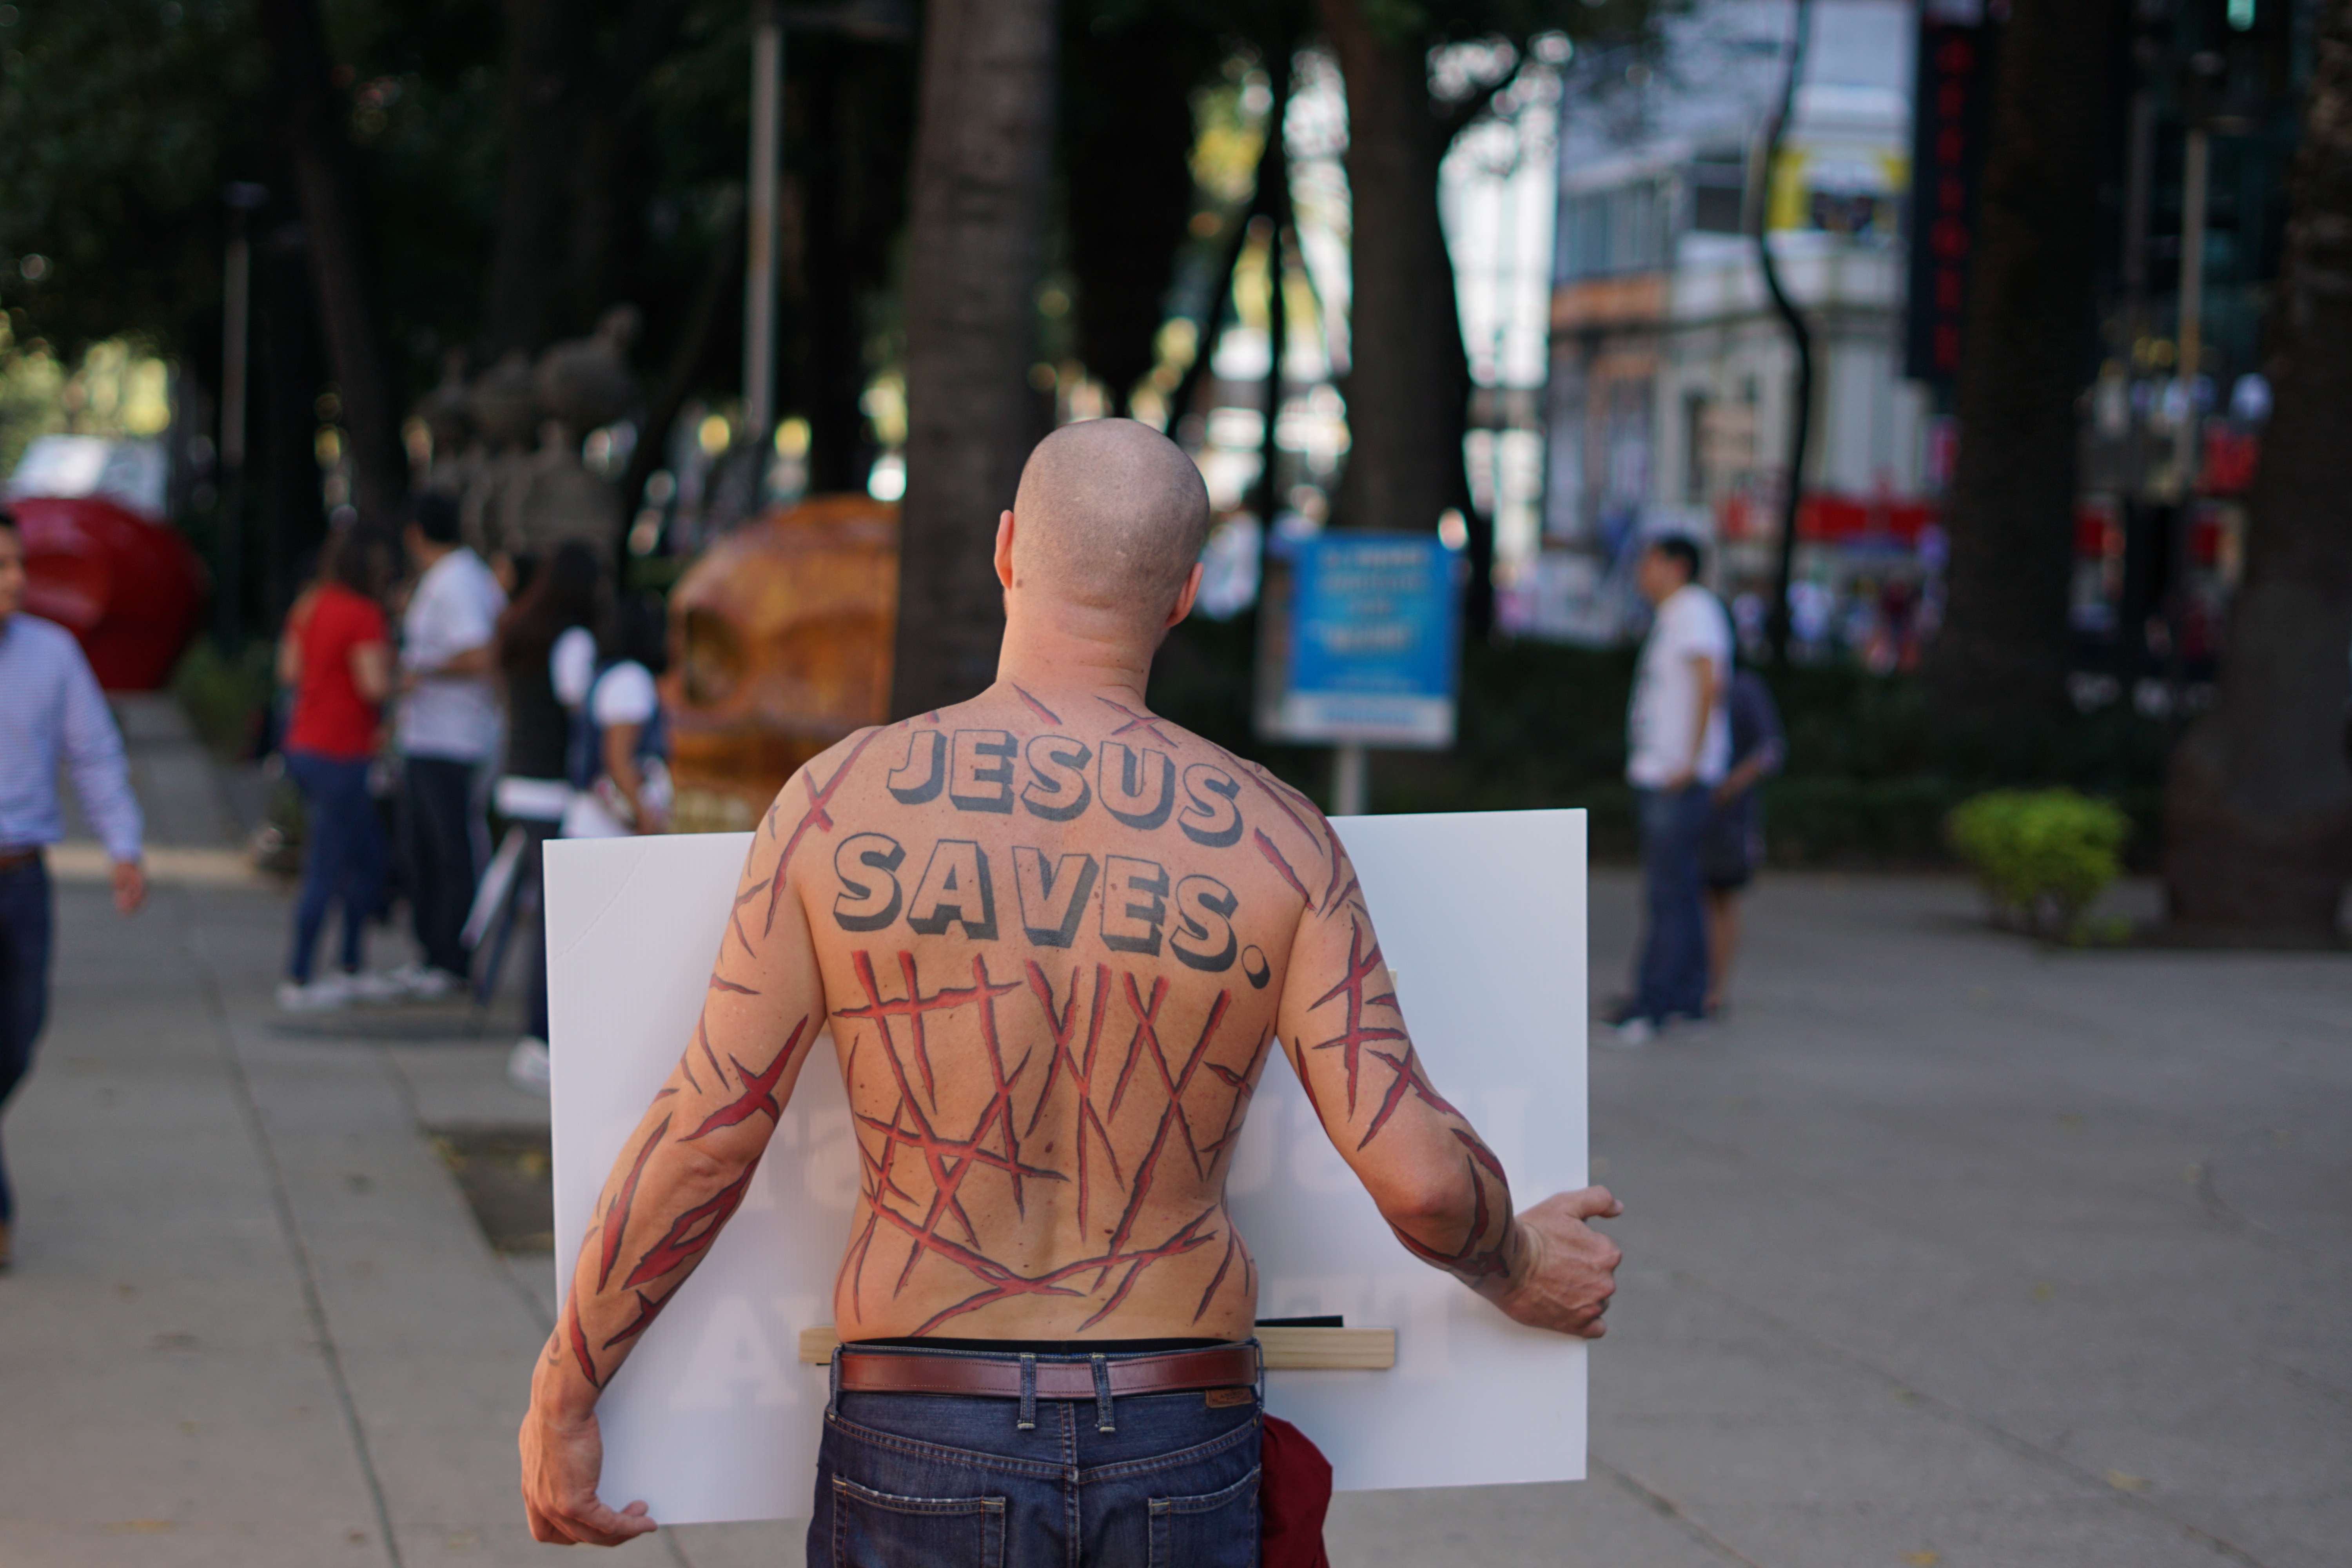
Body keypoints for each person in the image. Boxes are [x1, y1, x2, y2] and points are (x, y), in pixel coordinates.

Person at [516, 419, 1626, 1562]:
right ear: (1185, 592)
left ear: (1005, 549)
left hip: (918, 1426)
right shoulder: (1278, 839)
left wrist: (568, 1384)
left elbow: (706, 1133)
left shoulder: (836, 806)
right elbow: (1427, 1184)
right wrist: (1523, 1265)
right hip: (1176, 1427)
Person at [0, 506, 145, 1270]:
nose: (18, 580)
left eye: (18, 563)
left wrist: (123, 844)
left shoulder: (51, 654)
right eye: (2, 568)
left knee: (19, 1035)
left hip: (21, 876)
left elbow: (93, 752)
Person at [1608, 534, 1732, 1049]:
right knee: (1677, 889)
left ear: (1677, 566)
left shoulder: (1694, 611)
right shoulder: (1677, 614)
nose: (1642, 572)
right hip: (1666, 773)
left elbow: (1710, 682)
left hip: (1676, 777)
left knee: (1669, 893)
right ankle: (1684, 996)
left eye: (1650, 561)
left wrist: (1691, 758)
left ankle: (1657, 1004)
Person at [275, 525, 402, 1010]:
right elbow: (373, 685)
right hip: (341, 750)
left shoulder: (310, 605)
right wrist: (403, 682)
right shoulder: (364, 615)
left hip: (306, 743)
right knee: (332, 864)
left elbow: (290, 671)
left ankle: (350, 964)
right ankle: (302, 974)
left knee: (365, 856)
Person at [490, 542, 600, 1069]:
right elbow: (581, 719)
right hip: (555, 788)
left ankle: (539, 1034)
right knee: (556, 923)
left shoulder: (522, 628)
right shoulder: (572, 641)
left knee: (541, 915)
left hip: (518, 780)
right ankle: (541, 1038)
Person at [393, 493, 507, 996]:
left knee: (446, 849)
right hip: (437, 734)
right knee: (428, 846)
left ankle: (449, 956)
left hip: (449, 736)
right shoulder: (463, 576)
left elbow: (481, 654)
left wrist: (424, 671)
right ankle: (436, 952)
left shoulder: (455, 581)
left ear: (416, 534)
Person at [1701, 667, 1784, 1016]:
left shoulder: (1744, 688)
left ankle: (1714, 990)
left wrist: (1731, 786)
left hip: (1731, 819)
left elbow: (1772, 750)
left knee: (1721, 899)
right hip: (1693, 810)